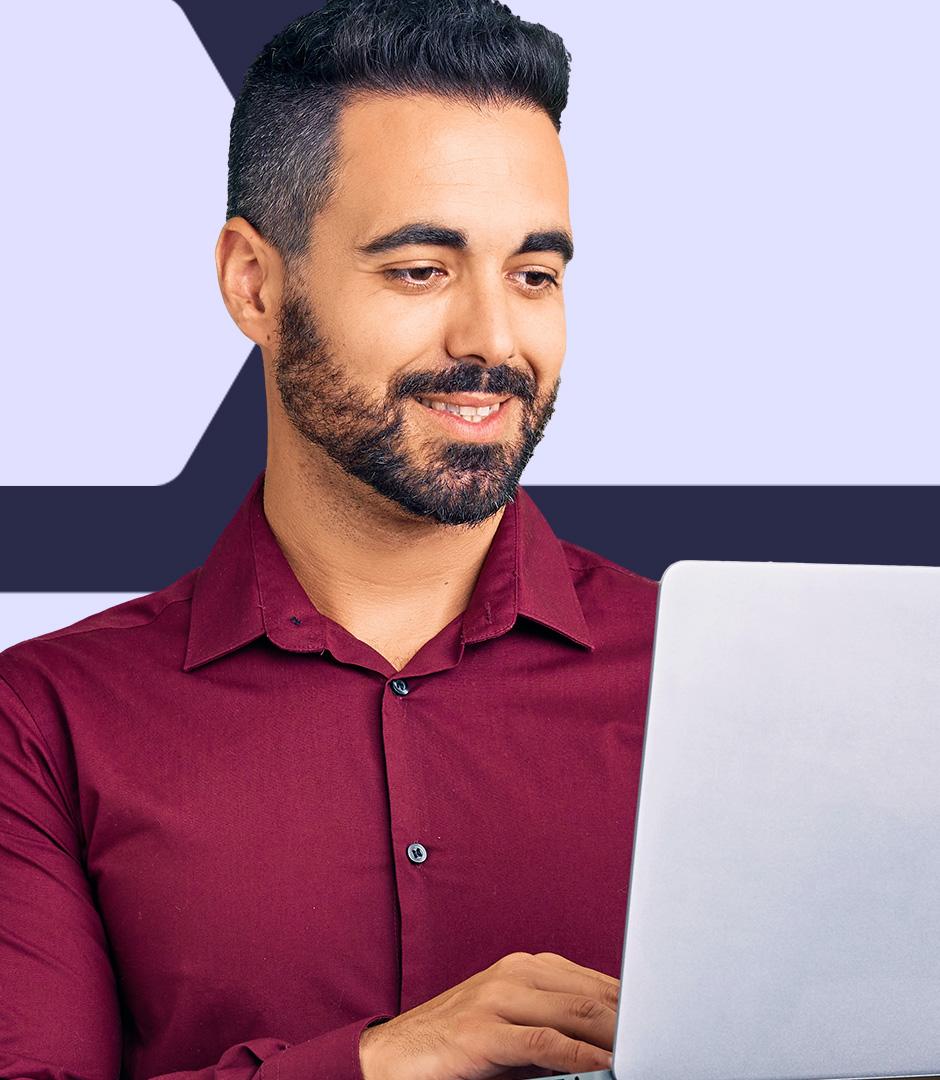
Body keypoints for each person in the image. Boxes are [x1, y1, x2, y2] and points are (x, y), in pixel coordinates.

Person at [0, 1, 657, 1077]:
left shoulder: (718, 686)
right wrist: (377, 1064)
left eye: (534, 274)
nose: (494, 340)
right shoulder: (44, 723)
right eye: (419, 270)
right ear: (254, 283)